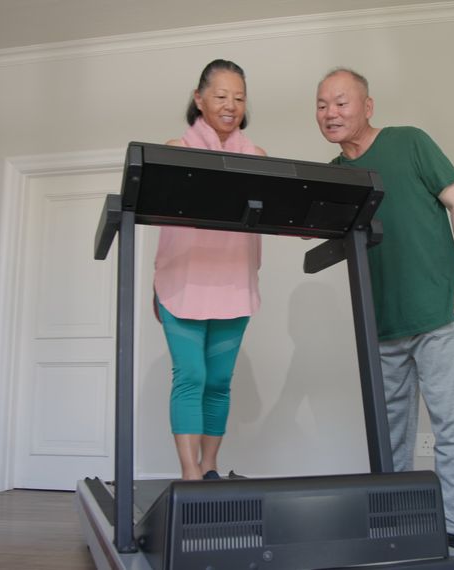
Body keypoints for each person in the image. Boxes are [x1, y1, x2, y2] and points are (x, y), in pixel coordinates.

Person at [315, 68, 454, 550]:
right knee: (388, 438)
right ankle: (395, 525)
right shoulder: (335, 174)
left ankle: (452, 532)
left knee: (452, 427)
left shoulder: (409, 142)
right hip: (380, 324)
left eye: (342, 103)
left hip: (437, 310)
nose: (331, 113)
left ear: (368, 107)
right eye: (323, 104)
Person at [155, 59, 266, 481]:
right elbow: (159, 223)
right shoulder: (175, 151)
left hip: (234, 284)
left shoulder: (256, 157)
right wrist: (154, 281)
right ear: (199, 100)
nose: (230, 105)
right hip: (182, 284)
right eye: (220, 96)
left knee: (219, 380)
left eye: (238, 97)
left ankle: (210, 466)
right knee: (191, 375)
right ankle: (190, 474)